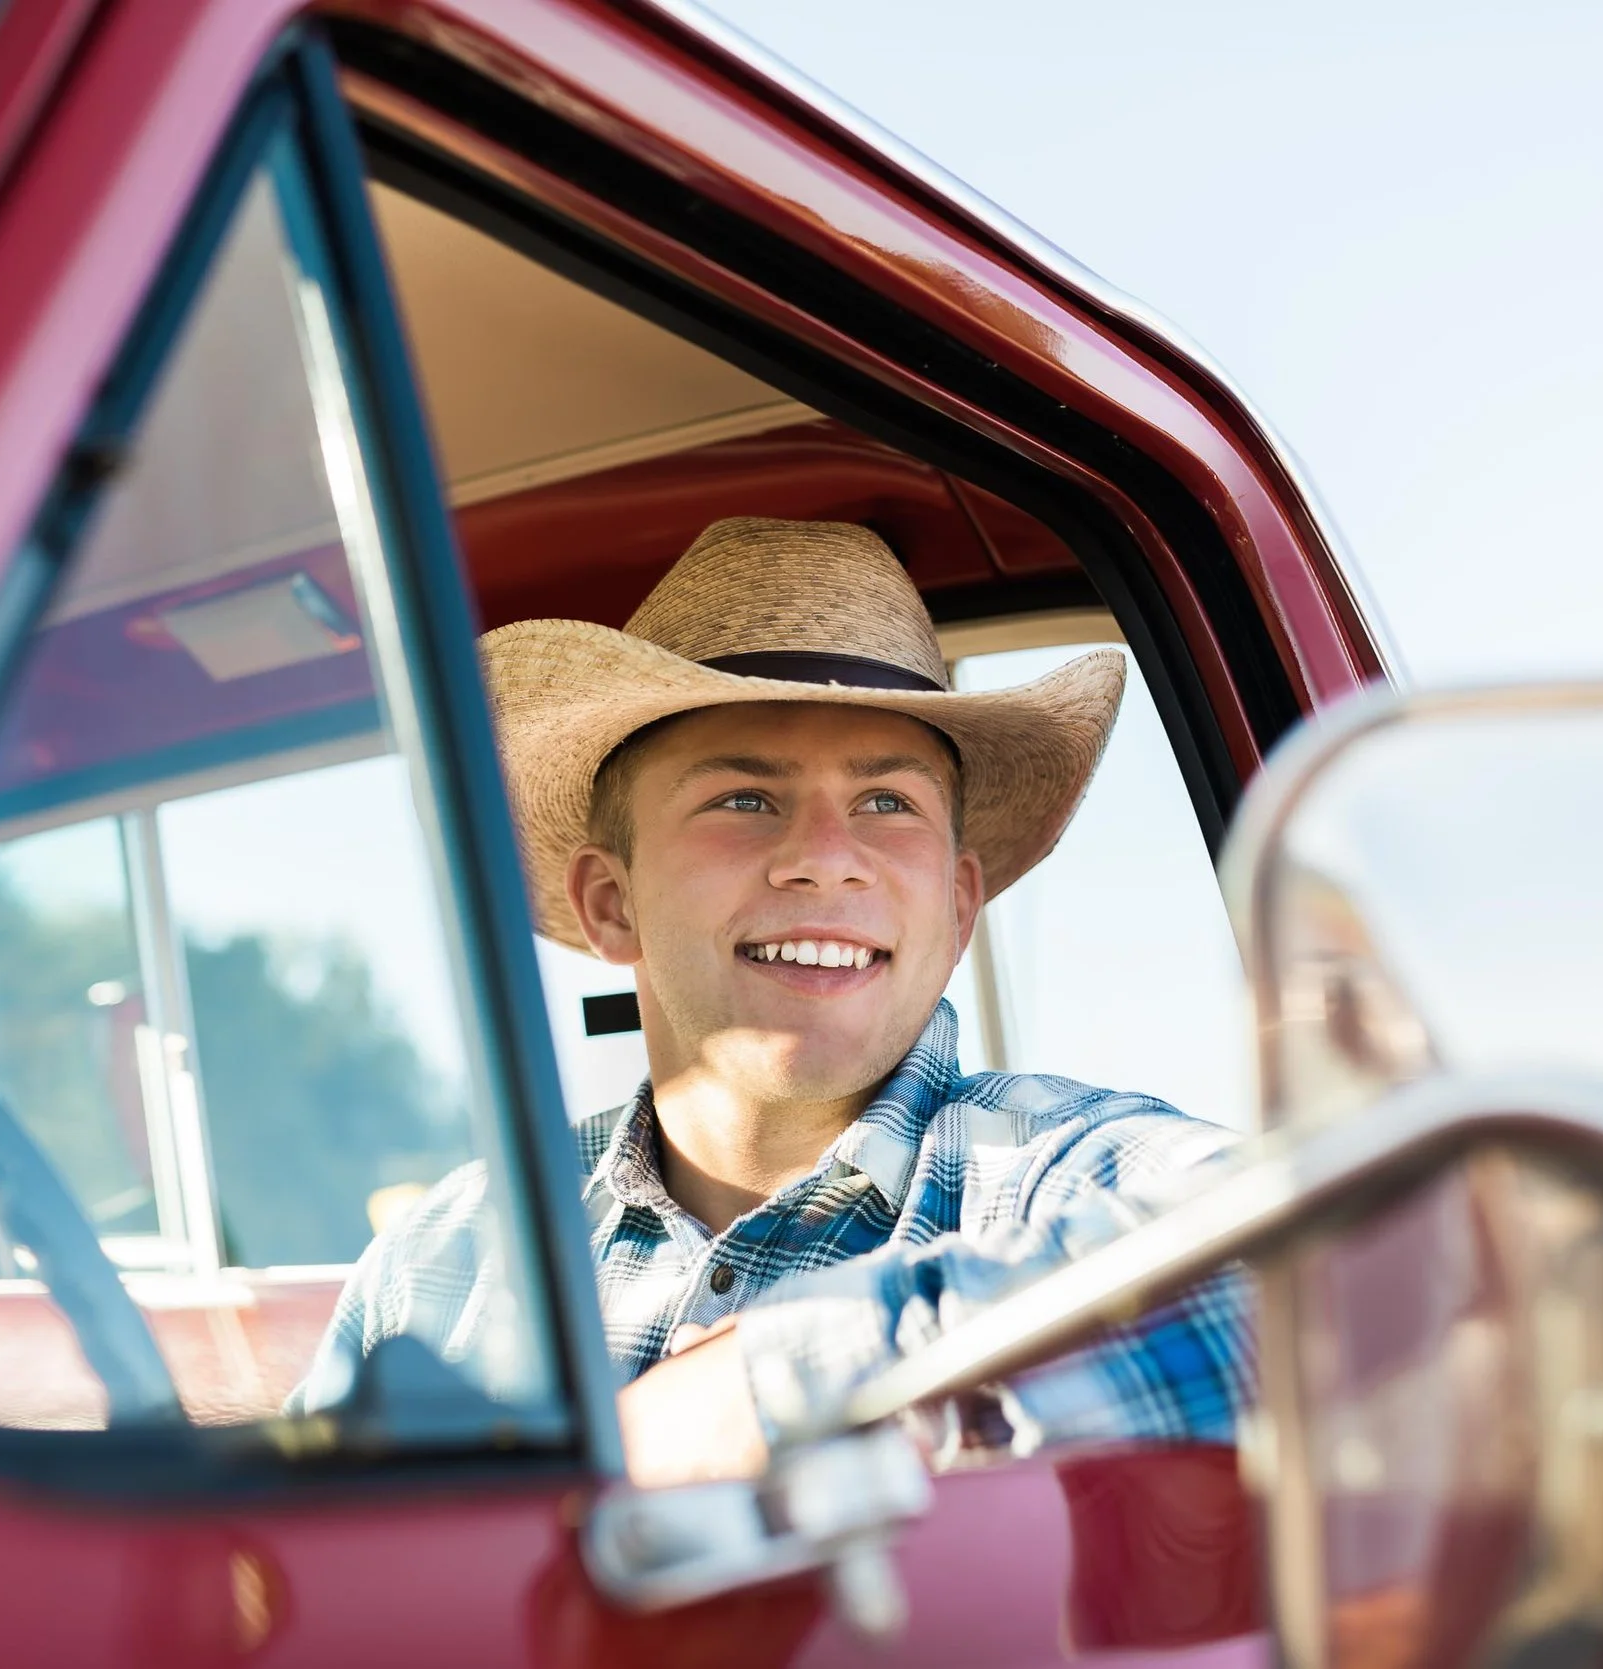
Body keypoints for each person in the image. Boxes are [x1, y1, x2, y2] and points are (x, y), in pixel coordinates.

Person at [293, 517, 1250, 1485]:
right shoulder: (437, 1262)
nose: (826, 859)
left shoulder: (1078, 1177)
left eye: (887, 803)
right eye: (744, 799)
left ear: (959, 907)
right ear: (610, 902)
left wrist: (753, 1391)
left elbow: (1361, 1267)